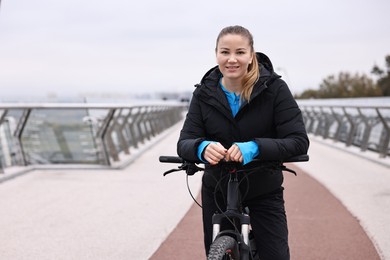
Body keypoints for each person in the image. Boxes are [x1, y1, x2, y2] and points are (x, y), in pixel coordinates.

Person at [177, 25, 309, 260]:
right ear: (216, 53)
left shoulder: (275, 89)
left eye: (239, 52)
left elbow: (298, 141)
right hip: (217, 188)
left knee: (276, 255)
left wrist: (255, 147)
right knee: (216, 253)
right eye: (225, 52)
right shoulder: (203, 94)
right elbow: (185, 141)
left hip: (263, 188)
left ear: (251, 55)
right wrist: (201, 147)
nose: (232, 59)